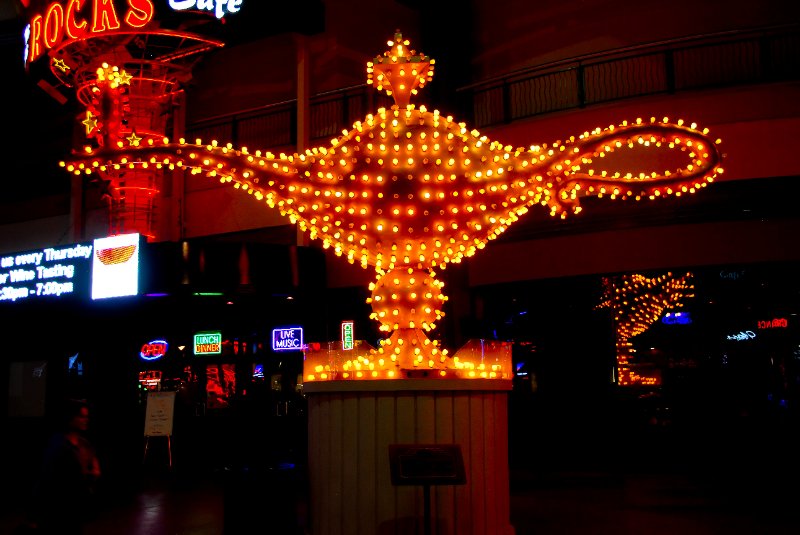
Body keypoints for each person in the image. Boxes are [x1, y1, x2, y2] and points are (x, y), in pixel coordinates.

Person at [25, 398, 102, 535]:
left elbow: (90, 467)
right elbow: (45, 481)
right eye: (81, 416)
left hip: (74, 508)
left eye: (86, 416)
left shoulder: (83, 444)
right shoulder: (59, 446)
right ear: (70, 417)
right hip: (58, 509)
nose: (85, 420)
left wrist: (93, 473)